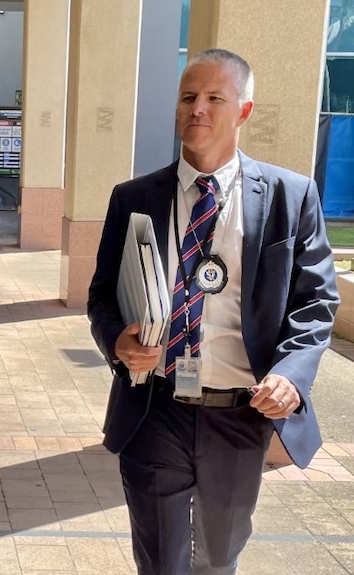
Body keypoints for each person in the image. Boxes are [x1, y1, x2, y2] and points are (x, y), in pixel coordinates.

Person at [87, 48, 339, 574]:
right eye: (187, 97)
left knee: (219, 557)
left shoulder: (291, 196)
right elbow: (102, 295)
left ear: (243, 111)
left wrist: (292, 375)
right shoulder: (133, 197)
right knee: (161, 561)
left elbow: (315, 301)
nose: (197, 109)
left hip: (240, 414)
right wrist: (117, 341)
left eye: (214, 98)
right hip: (156, 407)